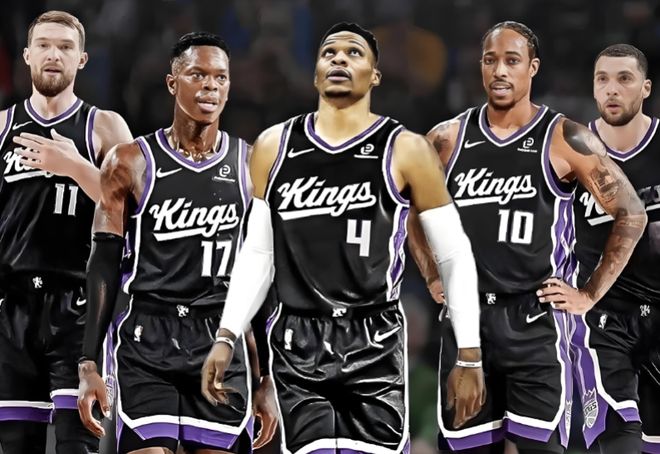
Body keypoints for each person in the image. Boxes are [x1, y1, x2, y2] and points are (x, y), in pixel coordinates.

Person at [201, 22, 484, 454]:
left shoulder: (406, 148)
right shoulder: (273, 146)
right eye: (329, 52)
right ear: (315, 73)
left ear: (375, 76)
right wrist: (227, 334)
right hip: (298, 338)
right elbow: (257, 253)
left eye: (354, 53)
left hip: (374, 336)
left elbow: (454, 253)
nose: (339, 59)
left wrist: (469, 352)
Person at [407, 22, 647, 454]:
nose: (499, 70)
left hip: (536, 322)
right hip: (468, 323)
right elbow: (411, 207)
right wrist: (430, 274)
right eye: (490, 60)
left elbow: (631, 212)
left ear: (532, 68)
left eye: (512, 60)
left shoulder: (565, 137)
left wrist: (589, 294)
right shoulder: (446, 139)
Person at [76, 32, 277, 454]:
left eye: (220, 77)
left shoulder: (251, 164)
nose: (210, 86)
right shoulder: (129, 161)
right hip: (147, 336)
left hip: (220, 339)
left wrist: (267, 377)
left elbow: (262, 276)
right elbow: (103, 261)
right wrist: (89, 361)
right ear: (172, 83)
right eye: (197, 75)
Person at [0, 10, 132, 454]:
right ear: (27, 55)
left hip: (79, 308)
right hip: (12, 307)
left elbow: (134, 212)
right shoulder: (2, 126)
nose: (53, 55)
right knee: (16, 445)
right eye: (44, 45)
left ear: (82, 59)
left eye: (65, 47)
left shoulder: (104, 126)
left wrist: (75, 167)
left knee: (78, 444)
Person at [571, 44, 660, 454]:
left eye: (624, 79)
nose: (612, 89)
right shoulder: (570, 150)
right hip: (601, 317)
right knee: (618, 438)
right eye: (602, 79)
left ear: (645, 88)